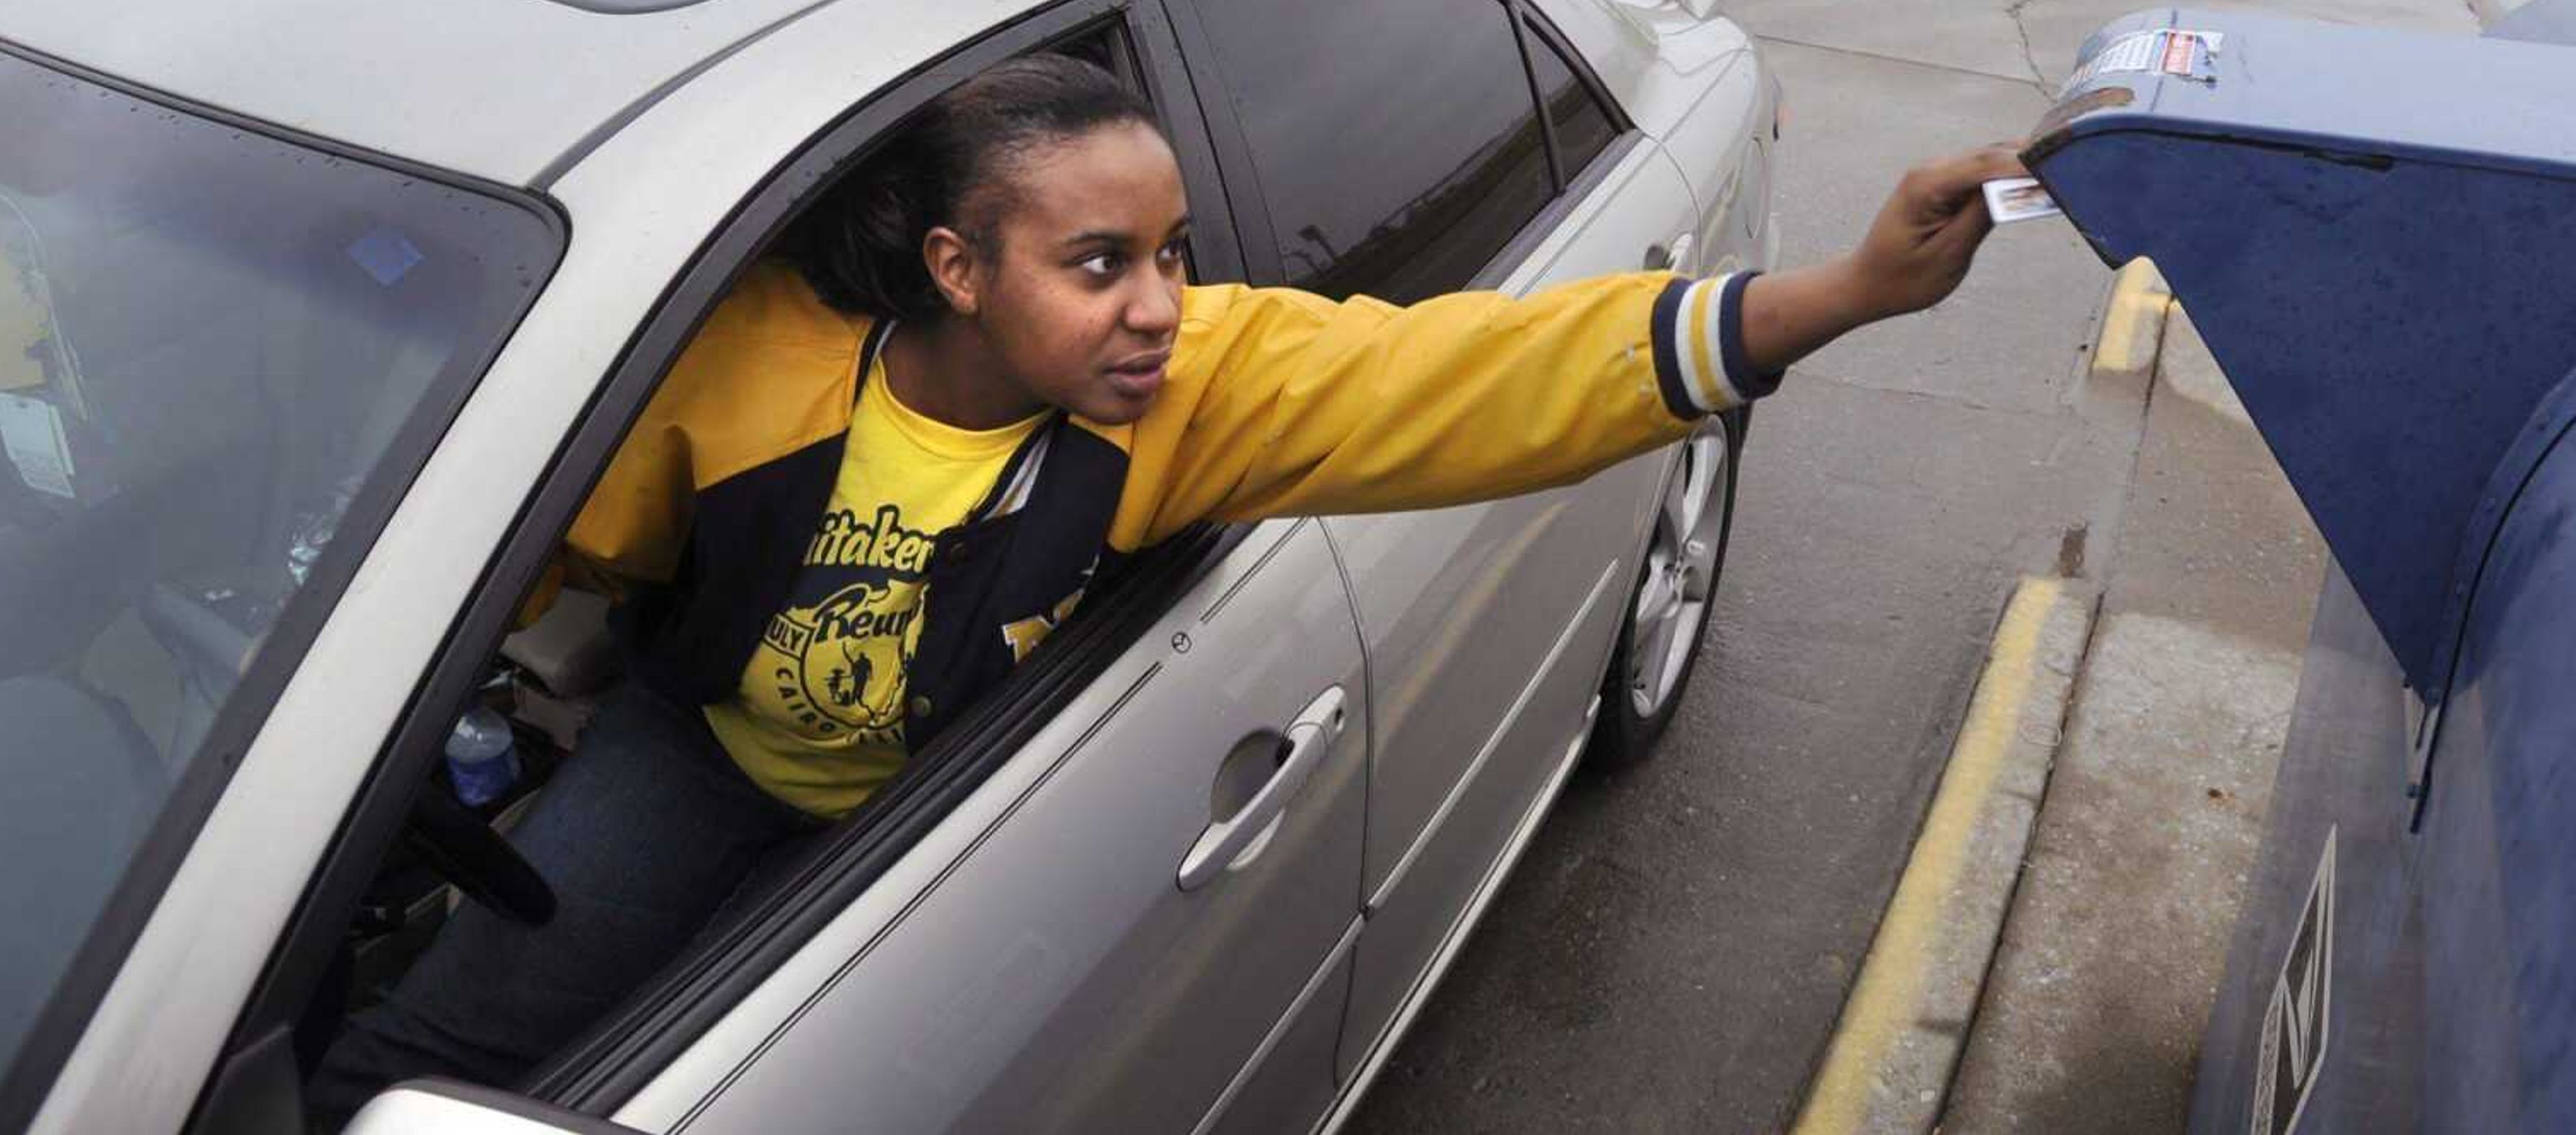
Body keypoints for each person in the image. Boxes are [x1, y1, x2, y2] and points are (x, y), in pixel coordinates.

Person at [313, 55, 2022, 1120]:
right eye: (1099, 262)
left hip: (941, 834)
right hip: (698, 762)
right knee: (432, 1047)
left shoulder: (1195, 390)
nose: (1159, 305)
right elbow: (514, 535)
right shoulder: (749, 367)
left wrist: (1847, 290)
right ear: (957, 269)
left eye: (1175, 252)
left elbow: (1492, 374)